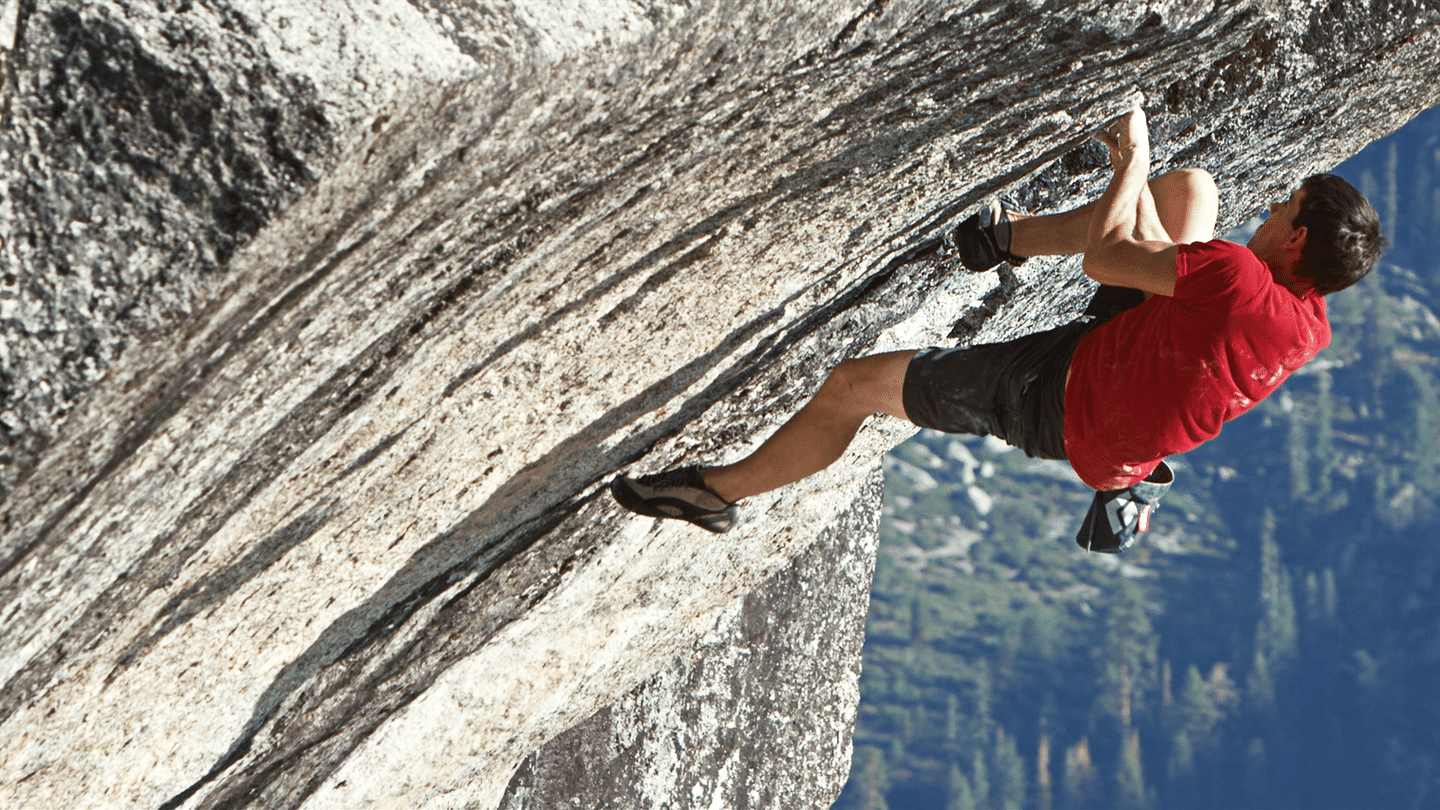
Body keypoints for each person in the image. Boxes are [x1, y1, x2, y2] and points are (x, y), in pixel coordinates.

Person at [611, 106, 1386, 550]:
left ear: (1295, 242)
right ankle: (1004, 238)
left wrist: (1130, 158)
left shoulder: (1238, 279)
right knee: (1192, 192)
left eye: (1284, 207)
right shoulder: (1306, 321)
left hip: (1063, 400)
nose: (1273, 208)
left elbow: (1110, 262)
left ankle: (717, 494)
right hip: (1138, 381)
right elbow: (1193, 285)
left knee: (853, 387)